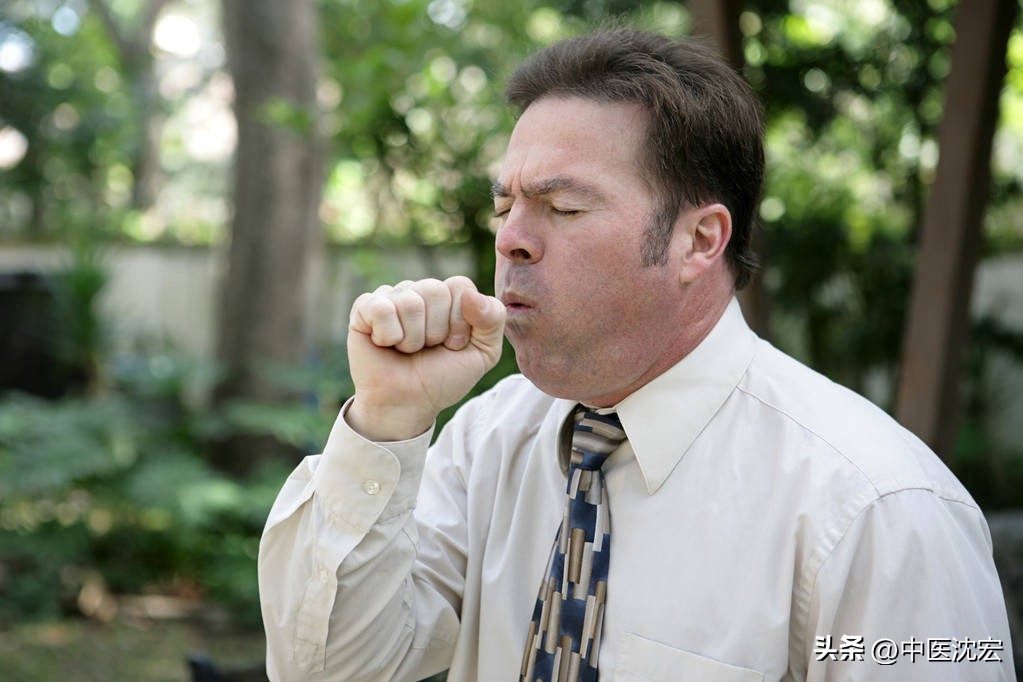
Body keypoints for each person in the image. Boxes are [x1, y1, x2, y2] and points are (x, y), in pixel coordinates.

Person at [257, 28, 1015, 682]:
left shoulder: (880, 510)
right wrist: (386, 421)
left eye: (563, 207)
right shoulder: (487, 441)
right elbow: (330, 670)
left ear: (698, 241)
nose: (510, 237)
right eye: (504, 204)